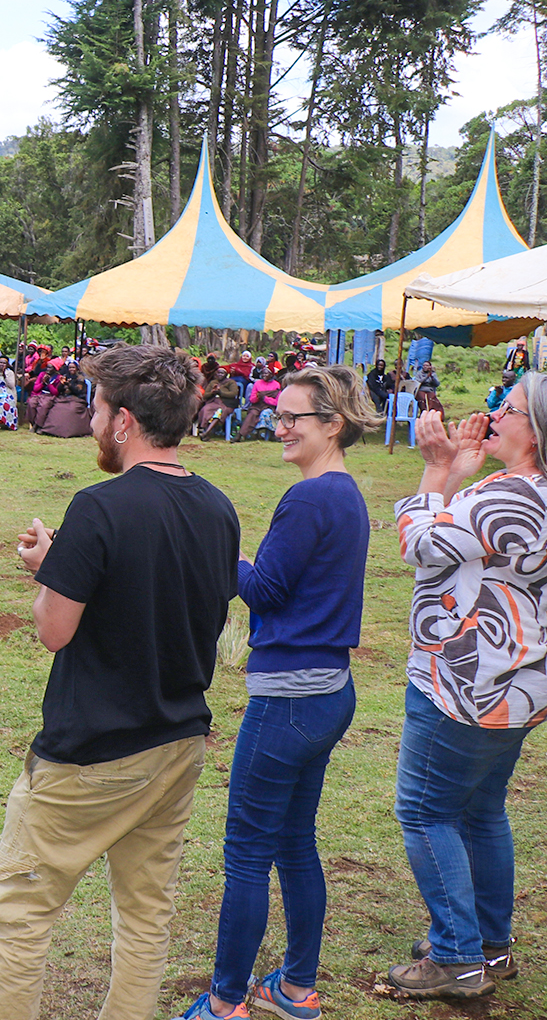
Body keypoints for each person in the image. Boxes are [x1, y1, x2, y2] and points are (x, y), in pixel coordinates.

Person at [0, 344, 239, 1020]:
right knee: (146, 918)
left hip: (89, 755)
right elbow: (158, 595)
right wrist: (64, 561)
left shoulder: (98, 508)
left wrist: (50, 571)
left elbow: (55, 630)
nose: (91, 421)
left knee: (20, 915)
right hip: (177, 741)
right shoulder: (219, 509)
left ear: (124, 421)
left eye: (96, 409)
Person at [386, 374, 547, 999]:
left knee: (426, 811)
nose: (491, 414)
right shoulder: (544, 491)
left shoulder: (519, 494)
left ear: (536, 430)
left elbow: (420, 542)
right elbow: (455, 542)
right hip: (510, 680)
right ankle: (488, 944)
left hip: (465, 681)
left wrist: (435, 469)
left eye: (505, 408)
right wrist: (460, 467)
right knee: (480, 810)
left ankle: (457, 959)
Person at [177, 367, 379, 1020]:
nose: (279, 426)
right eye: (278, 415)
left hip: (289, 700)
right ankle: (296, 988)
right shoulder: (345, 493)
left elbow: (263, 590)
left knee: (246, 855)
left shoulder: (312, 498)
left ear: (334, 424)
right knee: (294, 843)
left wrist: (222, 551)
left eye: (294, 417)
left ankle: (227, 1001)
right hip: (327, 694)